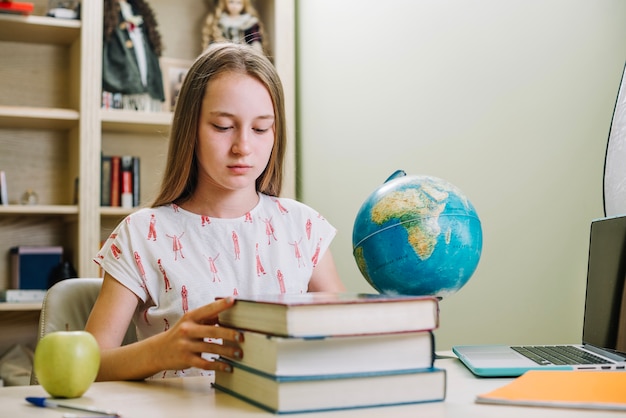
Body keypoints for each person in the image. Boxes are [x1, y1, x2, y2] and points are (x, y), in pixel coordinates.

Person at [85, 42, 346, 382]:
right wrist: (160, 351)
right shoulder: (141, 233)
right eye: (223, 127)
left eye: (260, 128)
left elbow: (344, 342)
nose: (243, 147)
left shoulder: (305, 228)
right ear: (190, 129)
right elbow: (87, 365)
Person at [201, 0, 268, 55]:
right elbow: (214, 38)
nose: (234, 6)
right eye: (231, 2)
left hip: (245, 52)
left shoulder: (248, 21)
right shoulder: (220, 20)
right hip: (224, 51)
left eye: (238, 3)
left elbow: (254, 39)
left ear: (244, 4)